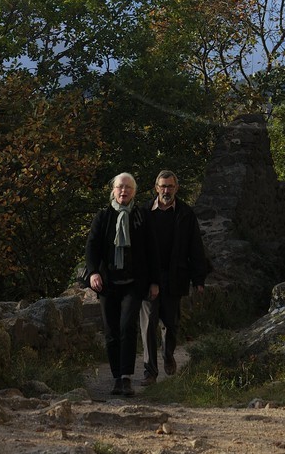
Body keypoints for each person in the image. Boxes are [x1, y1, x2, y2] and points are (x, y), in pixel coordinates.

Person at [83, 172, 160, 396]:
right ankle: (116, 377)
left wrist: (155, 282)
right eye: (119, 187)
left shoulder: (142, 217)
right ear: (113, 190)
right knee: (111, 331)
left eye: (128, 187)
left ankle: (126, 378)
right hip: (108, 284)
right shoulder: (103, 216)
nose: (123, 191)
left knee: (127, 327)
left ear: (134, 192)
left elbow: (152, 251)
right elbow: (92, 247)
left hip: (134, 283)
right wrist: (93, 273)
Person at [139, 169, 210, 383]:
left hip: (175, 276)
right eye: (163, 186)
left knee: (171, 323)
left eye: (170, 186)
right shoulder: (144, 212)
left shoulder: (186, 214)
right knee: (148, 325)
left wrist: (199, 279)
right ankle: (150, 372)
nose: (166, 190)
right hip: (149, 276)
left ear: (176, 188)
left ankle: (168, 355)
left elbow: (195, 248)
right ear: (156, 188)